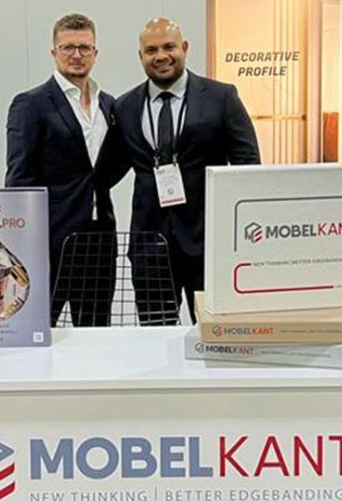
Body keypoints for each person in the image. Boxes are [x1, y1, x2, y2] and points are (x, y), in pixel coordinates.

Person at [98, 18, 260, 324]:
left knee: (216, 333)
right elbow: (105, 172)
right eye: (151, 50)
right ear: (141, 56)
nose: (161, 56)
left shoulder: (221, 97)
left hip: (209, 242)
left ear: (184, 48)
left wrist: (243, 232)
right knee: (154, 334)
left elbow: (248, 164)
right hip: (150, 247)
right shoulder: (125, 107)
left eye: (169, 47)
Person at [5, 13, 117, 326]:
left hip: (99, 238)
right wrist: (23, 241)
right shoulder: (30, 104)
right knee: (39, 327)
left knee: (95, 328)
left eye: (84, 47)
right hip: (50, 239)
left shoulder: (108, 104)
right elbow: (18, 179)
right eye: (68, 47)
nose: (76, 55)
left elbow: (104, 169)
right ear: (54, 52)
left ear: (95, 52)